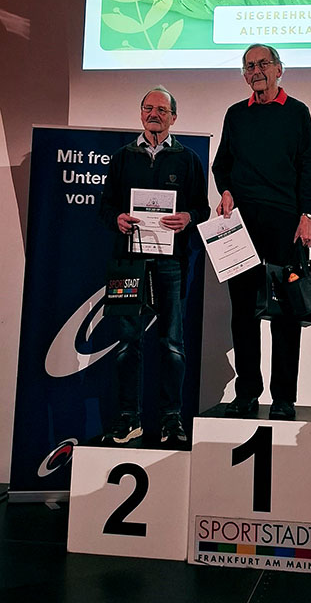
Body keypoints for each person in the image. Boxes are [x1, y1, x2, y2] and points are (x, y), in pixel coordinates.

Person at [212, 44, 311, 421]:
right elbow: (221, 165)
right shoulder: (236, 114)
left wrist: (307, 214)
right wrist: (226, 191)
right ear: (244, 75)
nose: (255, 71)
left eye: (262, 64)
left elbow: (308, 166)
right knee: (243, 313)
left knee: (286, 313)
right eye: (248, 66)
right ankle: (247, 393)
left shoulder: (297, 112)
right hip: (242, 228)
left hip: (285, 226)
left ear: (278, 69)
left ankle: (284, 397)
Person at [100, 86, 210, 446]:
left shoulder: (188, 159)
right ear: (140, 114)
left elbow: (202, 208)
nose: (154, 114)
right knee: (127, 344)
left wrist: (188, 217)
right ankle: (128, 418)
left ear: (173, 118)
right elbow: (105, 207)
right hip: (128, 264)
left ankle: (170, 419)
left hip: (171, 263)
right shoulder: (123, 157)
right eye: (148, 108)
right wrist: (116, 218)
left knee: (172, 344)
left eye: (162, 110)